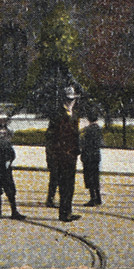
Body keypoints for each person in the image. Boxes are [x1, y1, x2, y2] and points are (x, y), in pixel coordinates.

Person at [48, 88, 82, 221]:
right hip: (61, 154)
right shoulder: (58, 114)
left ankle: (68, 210)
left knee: (70, 184)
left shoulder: (75, 113)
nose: (70, 102)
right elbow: (52, 136)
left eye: (72, 100)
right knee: (64, 184)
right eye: (68, 100)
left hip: (72, 154)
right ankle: (63, 213)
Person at [0, 114, 25, 219]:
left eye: (3, 129)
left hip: (6, 170)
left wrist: (9, 161)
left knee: (11, 191)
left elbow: (12, 154)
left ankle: (14, 211)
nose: (2, 131)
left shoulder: (6, 142)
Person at [80, 107, 104, 207]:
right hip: (96, 155)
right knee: (96, 177)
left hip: (88, 155)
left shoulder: (87, 130)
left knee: (90, 177)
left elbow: (84, 143)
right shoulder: (98, 128)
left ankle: (93, 197)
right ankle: (98, 197)